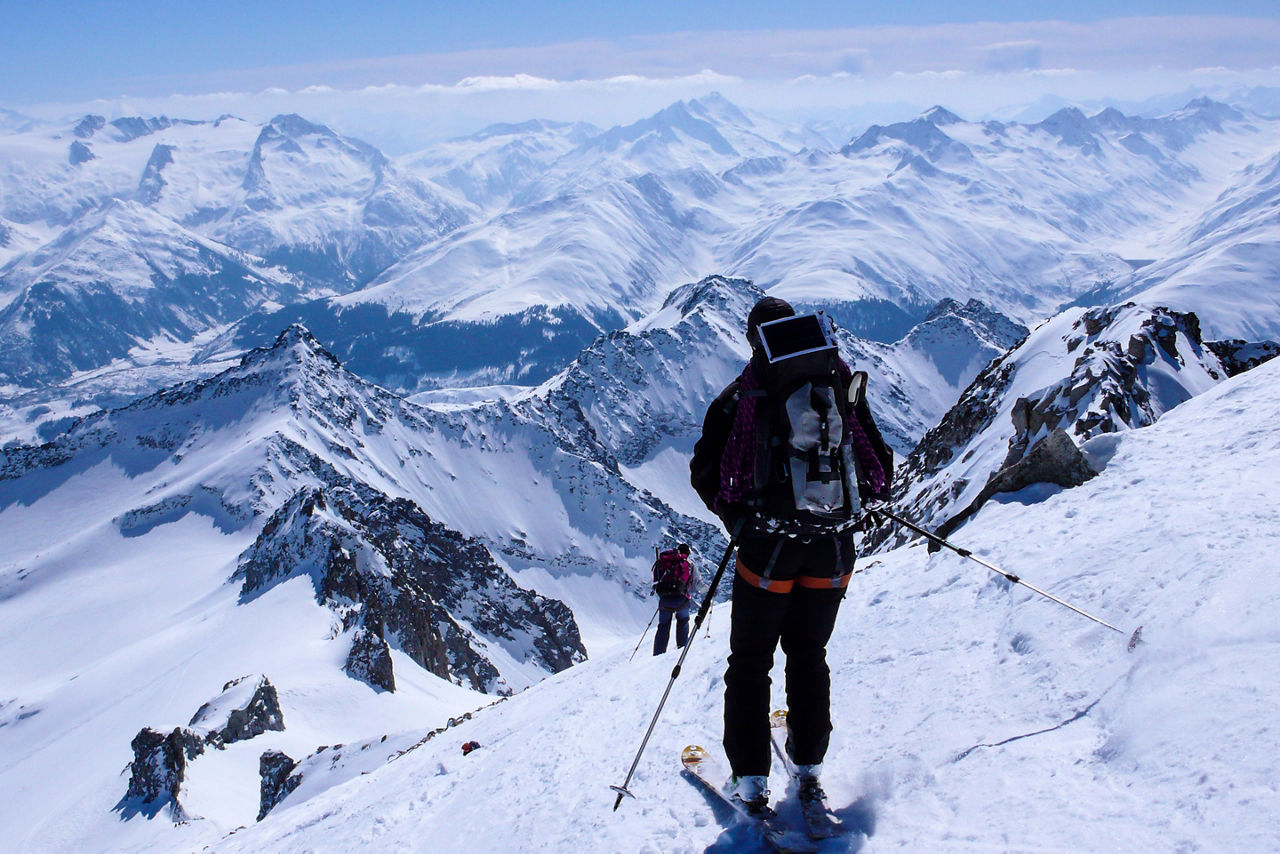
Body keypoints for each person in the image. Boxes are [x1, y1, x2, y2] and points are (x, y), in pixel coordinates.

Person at [689, 296, 892, 819]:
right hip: (833, 549)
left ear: (755, 338)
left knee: (751, 662)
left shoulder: (745, 394)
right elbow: (879, 462)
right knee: (808, 654)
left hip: (769, 552)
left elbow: (706, 472)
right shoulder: (837, 386)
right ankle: (808, 766)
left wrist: (737, 519)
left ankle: (752, 780)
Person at [651, 543, 695, 655]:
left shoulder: (663, 562)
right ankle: (682, 650)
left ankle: (658, 654)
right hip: (682, 600)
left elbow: (656, 580)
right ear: (687, 553)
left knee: (663, 626)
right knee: (683, 621)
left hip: (665, 600)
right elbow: (697, 583)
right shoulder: (688, 564)